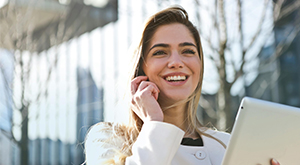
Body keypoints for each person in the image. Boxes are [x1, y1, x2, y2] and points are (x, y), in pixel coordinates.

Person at [84, 6, 280, 165]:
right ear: (140, 69)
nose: (177, 62)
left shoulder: (227, 145)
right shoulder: (107, 140)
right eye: (160, 52)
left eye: (188, 51)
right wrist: (154, 124)